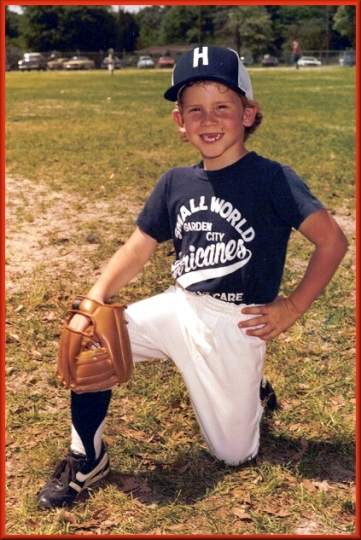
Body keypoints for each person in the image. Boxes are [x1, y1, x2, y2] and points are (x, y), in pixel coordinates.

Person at [36, 45, 348, 509]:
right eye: (195, 109)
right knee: (91, 341)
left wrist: (293, 306)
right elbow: (137, 249)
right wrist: (93, 299)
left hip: (235, 322)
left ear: (249, 113)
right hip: (180, 303)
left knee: (234, 455)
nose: (209, 119)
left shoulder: (272, 178)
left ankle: (252, 393)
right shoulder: (175, 182)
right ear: (180, 123)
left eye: (223, 106)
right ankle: (88, 455)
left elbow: (332, 242)